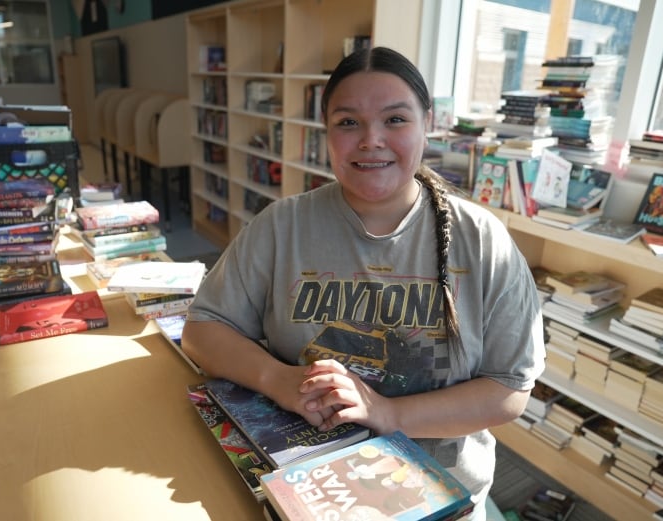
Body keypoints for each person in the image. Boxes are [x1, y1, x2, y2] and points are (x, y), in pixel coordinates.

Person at [182, 46, 545, 519]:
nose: (371, 140)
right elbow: (203, 328)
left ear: (426, 123)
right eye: (348, 122)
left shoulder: (481, 240)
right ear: (326, 131)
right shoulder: (280, 225)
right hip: (304, 483)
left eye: (395, 119)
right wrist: (280, 380)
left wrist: (388, 414)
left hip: (437, 495)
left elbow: (509, 389)